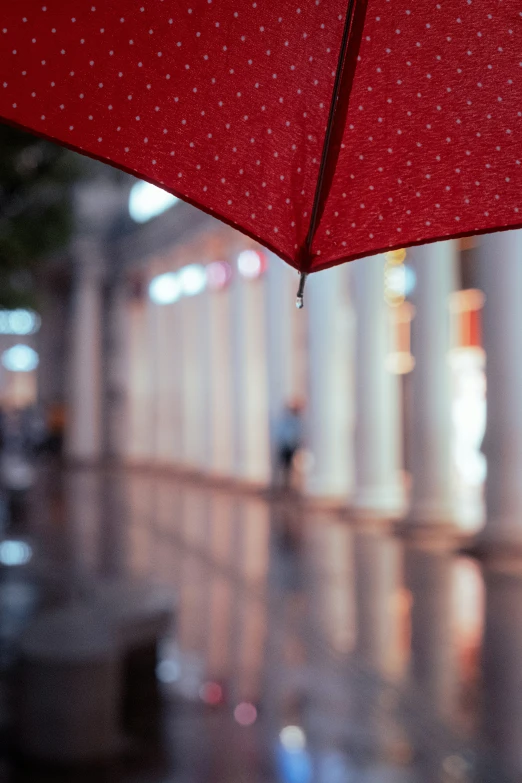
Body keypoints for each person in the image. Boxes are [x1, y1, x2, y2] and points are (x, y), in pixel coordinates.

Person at [275, 400, 304, 490]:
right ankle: (286, 485)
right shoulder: (288, 420)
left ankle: (292, 485)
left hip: (292, 446)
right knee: (285, 467)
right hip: (287, 447)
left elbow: (297, 434)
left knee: (293, 467)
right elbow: (285, 434)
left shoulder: (296, 421)